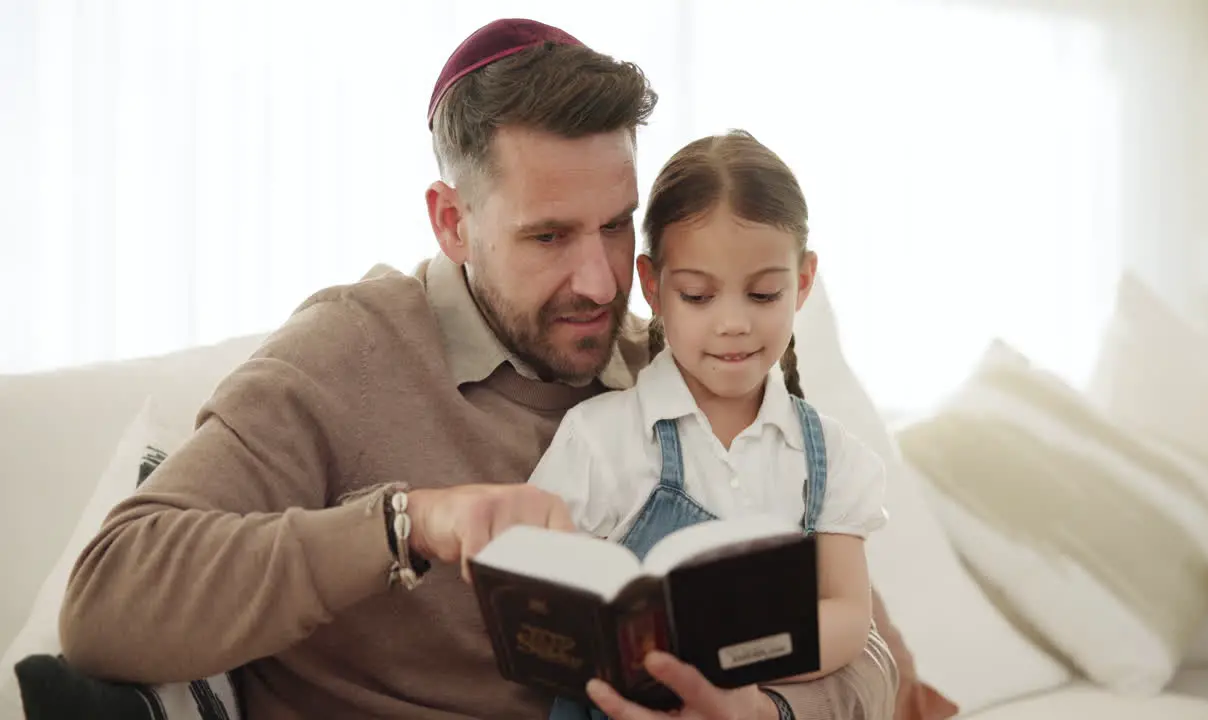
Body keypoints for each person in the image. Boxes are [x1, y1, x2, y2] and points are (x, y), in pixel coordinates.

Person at [56, 17, 898, 720]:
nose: (600, 282)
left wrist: (774, 712)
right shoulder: (343, 355)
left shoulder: (668, 367)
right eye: (548, 236)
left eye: (615, 226)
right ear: (452, 222)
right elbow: (105, 602)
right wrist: (403, 524)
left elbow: (871, 652)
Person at [529, 131, 887, 719]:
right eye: (698, 296)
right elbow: (545, 600)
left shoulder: (831, 458)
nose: (733, 324)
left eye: (763, 293)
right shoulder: (599, 439)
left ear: (801, 282)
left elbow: (848, 611)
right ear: (653, 285)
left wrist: (733, 674)